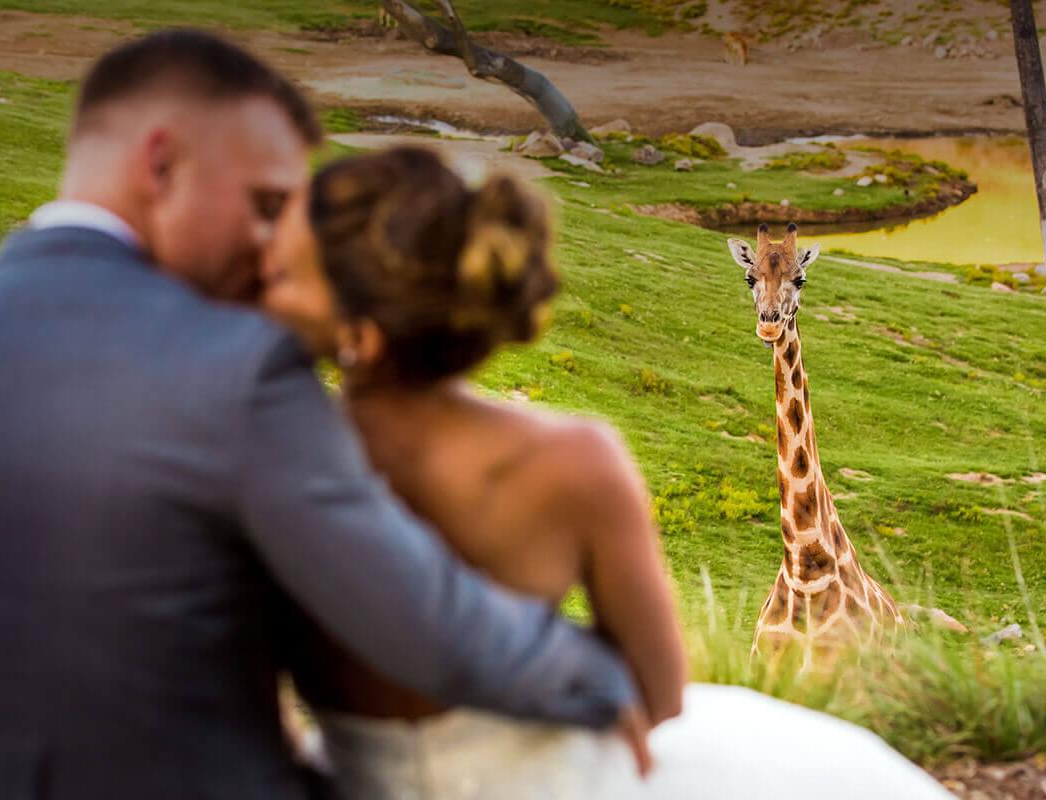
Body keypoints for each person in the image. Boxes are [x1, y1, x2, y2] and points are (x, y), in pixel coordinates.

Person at [0, 31, 642, 800]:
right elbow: (431, 630)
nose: (268, 246)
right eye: (262, 203)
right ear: (162, 164)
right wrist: (602, 677)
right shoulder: (234, 366)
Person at [262, 146, 956, 800]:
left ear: (359, 317)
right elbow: (660, 692)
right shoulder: (575, 460)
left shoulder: (264, 457)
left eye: (286, 275)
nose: (262, 282)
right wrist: (571, 671)